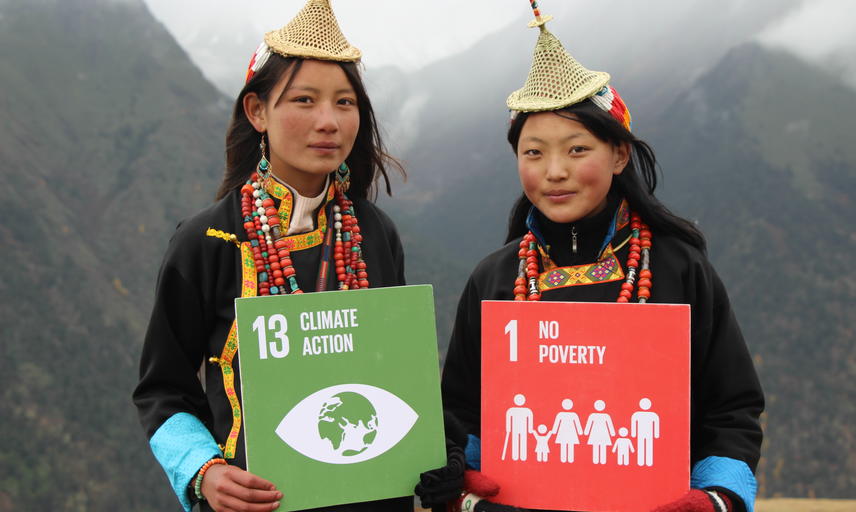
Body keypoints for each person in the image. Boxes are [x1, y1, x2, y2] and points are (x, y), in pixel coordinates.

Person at [418, 2, 764, 512]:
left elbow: (731, 408)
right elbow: (462, 412)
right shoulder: (494, 277)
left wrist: (714, 499)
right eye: (533, 152)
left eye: (577, 149)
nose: (554, 171)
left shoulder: (679, 267)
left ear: (619, 155)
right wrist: (459, 480)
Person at [132, 1, 411, 511]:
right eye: (304, 100)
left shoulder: (374, 234)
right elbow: (163, 389)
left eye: (345, 103)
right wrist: (204, 471)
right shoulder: (208, 241)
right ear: (257, 111)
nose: (328, 121)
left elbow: (395, 374)